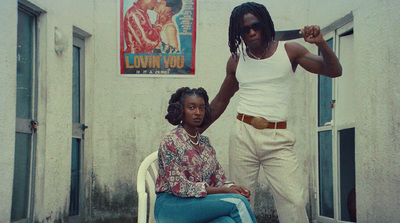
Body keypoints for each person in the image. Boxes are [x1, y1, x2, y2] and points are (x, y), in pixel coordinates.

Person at [201, 2, 342, 223]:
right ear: (238, 34)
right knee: (241, 199)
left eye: (256, 26)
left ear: (266, 25)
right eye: (244, 30)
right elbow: (220, 101)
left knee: (293, 201)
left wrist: (321, 43)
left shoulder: (290, 51)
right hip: (242, 135)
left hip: (278, 137)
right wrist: (187, 133)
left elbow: (334, 70)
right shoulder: (237, 60)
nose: (251, 32)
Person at [154, 87, 257, 223]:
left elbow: (218, 177)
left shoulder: (205, 143)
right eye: (192, 108)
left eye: (202, 108)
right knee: (238, 202)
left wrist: (232, 188)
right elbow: (180, 187)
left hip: (197, 204)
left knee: (228, 222)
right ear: (181, 110)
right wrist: (225, 192)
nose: (198, 112)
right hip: (171, 206)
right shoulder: (170, 141)